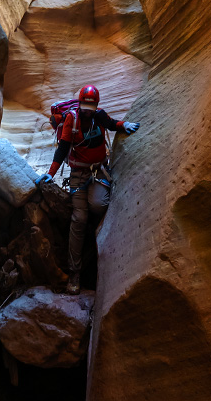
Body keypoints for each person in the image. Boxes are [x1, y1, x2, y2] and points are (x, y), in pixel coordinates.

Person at [36, 85, 139, 294]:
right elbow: (62, 149)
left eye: (91, 105)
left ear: (96, 105)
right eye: (85, 104)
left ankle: (96, 239)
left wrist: (124, 125)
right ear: (80, 103)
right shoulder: (71, 121)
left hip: (99, 172)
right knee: (78, 219)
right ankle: (74, 273)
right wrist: (51, 173)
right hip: (78, 175)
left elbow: (111, 124)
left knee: (99, 205)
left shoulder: (99, 116)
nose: (87, 109)